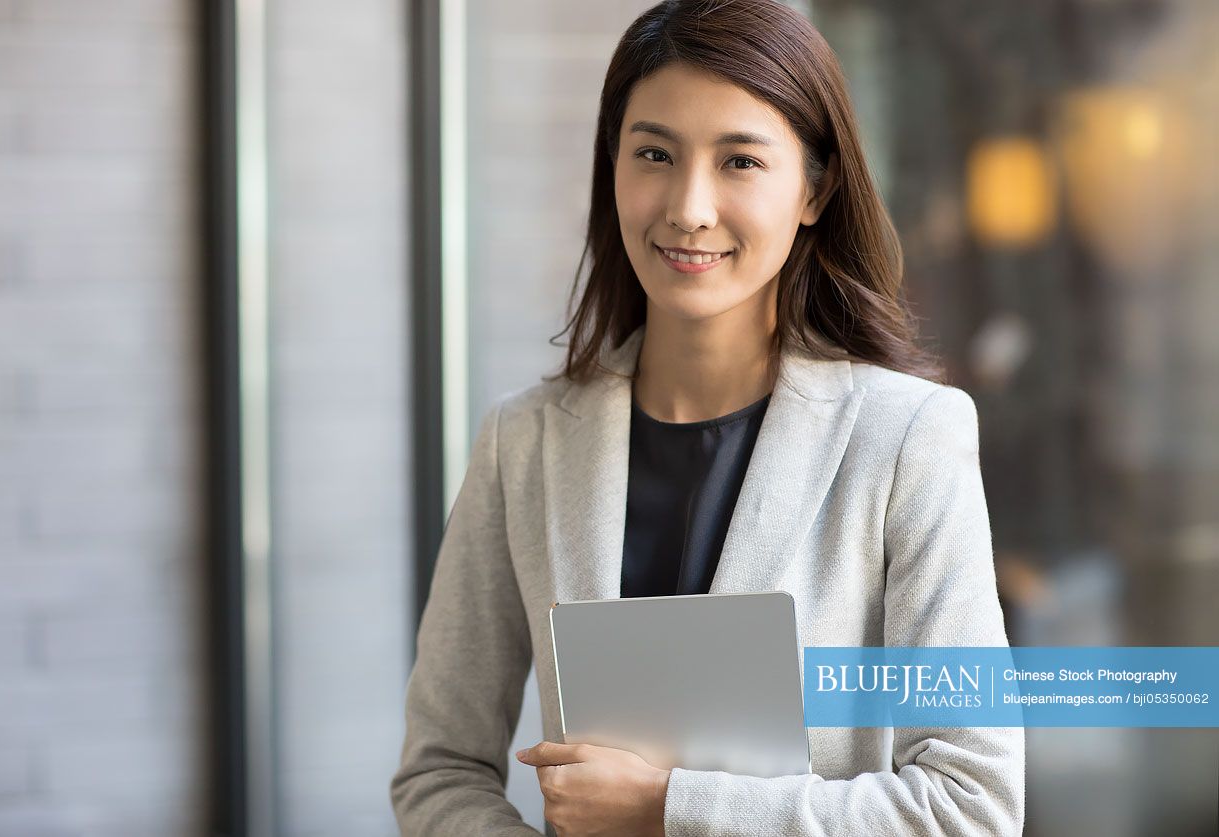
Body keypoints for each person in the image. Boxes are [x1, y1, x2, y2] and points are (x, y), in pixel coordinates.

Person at [390, 0, 1026, 834]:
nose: (688, 206)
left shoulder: (907, 438)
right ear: (610, 166)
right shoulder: (525, 444)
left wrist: (666, 806)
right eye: (653, 153)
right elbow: (439, 770)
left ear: (814, 187)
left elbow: (970, 806)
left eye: (739, 162)